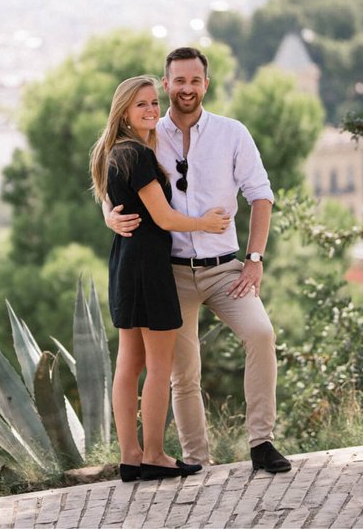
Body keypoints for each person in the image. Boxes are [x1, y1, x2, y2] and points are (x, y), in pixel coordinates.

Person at [105, 47, 292, 473]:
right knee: (181, 372)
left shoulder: (232, 133)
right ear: (166, 83)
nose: (186, 89)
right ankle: (196, 459)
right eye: (178, 81)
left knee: (261, 334)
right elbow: (115, 180)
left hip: (227, 269)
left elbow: (261, 195)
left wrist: (254, 258)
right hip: (168, 272)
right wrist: (109, 216)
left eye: (195, 80)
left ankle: (262, 442)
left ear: (206, 84)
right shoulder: (149, 132)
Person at [90, 75, 230, 482]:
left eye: (154, 102)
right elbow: (164, 217)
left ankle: (130, 456)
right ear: (125, 112)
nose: (151, 109)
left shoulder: (113, 152)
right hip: (150, 266)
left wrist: (108, 216)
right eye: (142, 105)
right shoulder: (138, 154)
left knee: (129, 363)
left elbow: (110, 200)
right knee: (158, 364)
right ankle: (154, 454)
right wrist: (206, 222)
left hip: (124, 262)